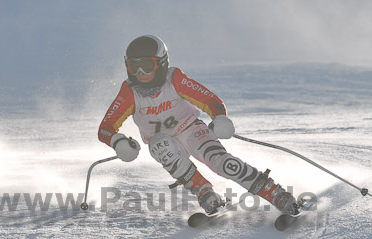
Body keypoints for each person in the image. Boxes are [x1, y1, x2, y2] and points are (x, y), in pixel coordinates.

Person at [98, 34, 299, 215]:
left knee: (223, 164)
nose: (140, 73)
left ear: (160, 63)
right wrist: (117, 142)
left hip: (191, 129)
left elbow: (210, 100)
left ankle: (274, 193)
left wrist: (219, 117)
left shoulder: (174, 79)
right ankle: (204, 191)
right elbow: (106, 127)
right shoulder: (129, 92)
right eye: (134, 67)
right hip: (162, 142)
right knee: (160, 144)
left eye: (147, 66)